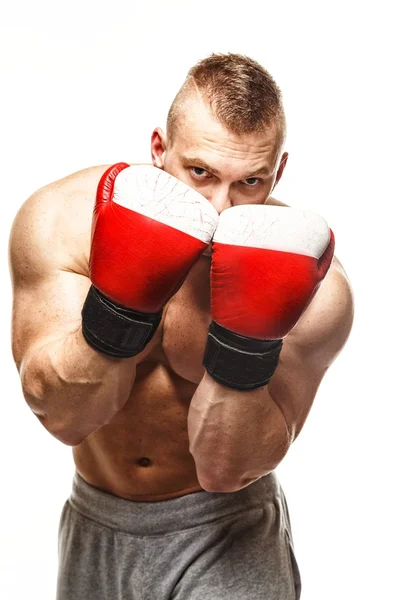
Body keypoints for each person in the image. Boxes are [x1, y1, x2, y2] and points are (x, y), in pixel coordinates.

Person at [9, 53, 354, 599]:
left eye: (250, 182)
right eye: (201, 174)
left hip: (229, 532)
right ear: (158, 150)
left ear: (278, 172)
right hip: (96, 523)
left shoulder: (315, 288)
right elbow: (63, 417)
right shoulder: (65, 221)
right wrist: (119, 308)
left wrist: (246, 342)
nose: (221, 206)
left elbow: (227, 469)